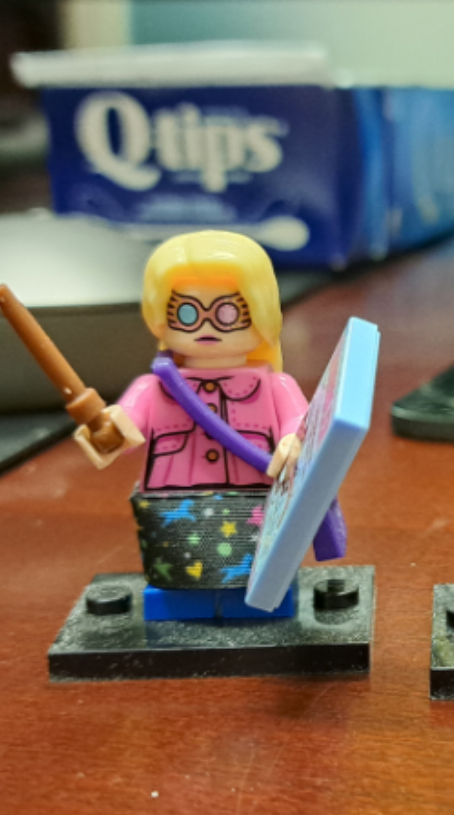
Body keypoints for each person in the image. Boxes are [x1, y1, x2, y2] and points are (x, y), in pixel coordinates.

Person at [73, 230, 306, 619]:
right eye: (185, 313)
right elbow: (124, 429)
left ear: (261, 310)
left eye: (228, 312)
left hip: (254, 503)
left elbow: (300, 421)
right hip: (174, 506)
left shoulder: (274, 386)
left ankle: (257, 604)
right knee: (177, 585)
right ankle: (177, 606)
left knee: (257, 583)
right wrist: (107, 428)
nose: (206, 326)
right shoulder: (153, 388)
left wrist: (292, 442)